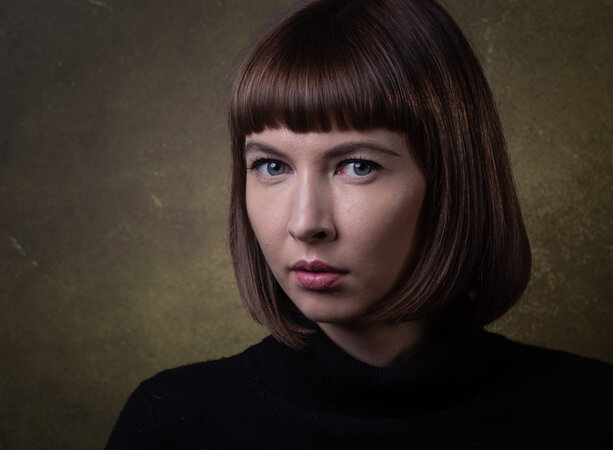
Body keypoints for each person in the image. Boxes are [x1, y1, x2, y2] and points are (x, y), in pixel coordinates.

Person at [106, 0, 613, 448]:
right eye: (272, 166)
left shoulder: (592, 415)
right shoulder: (171, 423)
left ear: (451, 181)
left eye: (357, 166)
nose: (305, 223)